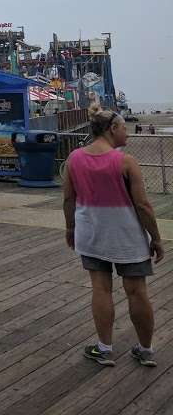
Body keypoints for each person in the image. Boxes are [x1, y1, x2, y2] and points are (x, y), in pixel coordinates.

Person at [63, 102, 163, 367]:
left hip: (91, 232)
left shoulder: (74, 158)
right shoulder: (125, 161)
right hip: (126, 235)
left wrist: (70, 228)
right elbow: (142, 205)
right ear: (112, 129)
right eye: (123, 128)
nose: (127, 133)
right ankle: (145, 349)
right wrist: (156, 237)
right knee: (136, 291)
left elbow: (68, 200)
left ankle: (104, 348)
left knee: (101, 289)